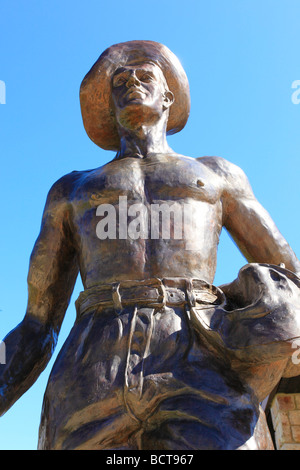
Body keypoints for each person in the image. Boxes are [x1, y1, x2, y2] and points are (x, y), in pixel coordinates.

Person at [1, 40, 300, 450]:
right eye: (120, 81)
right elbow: (37, 325)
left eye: (145, 76)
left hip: (199, 351)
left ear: (168, 97)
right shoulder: (72, 190)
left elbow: (289, 273)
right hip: (93, 361)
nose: (131, 83)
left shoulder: (216, 175)